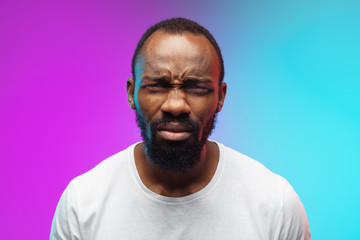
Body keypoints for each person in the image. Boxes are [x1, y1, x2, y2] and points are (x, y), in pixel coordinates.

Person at [50, 17, 311, 240]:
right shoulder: (83, 203)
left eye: (196, 87)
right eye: (157, 85)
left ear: (220, 97)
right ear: (132, 93)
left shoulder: (275, 203)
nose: (175, 105)